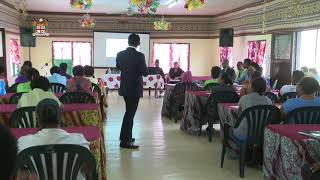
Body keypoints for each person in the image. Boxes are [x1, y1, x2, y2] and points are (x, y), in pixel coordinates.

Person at [116, 33, 148, 149]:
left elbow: (118, 67)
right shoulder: (140, 56)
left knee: (129, 112)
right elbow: (145, 72)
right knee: (130, 114)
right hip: (135, 88)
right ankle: (124, 141)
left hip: (125, 87)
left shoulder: (120, 54)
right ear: (138, 43)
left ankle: (127, 136)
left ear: (128, 42)